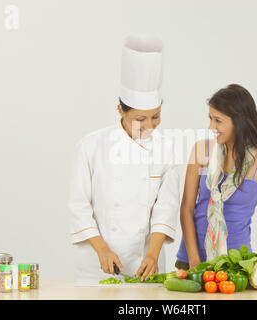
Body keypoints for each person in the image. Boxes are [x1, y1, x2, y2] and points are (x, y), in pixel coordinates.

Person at [68, 35, 179, 285]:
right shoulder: (91, 145)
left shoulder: (167, 148)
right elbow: (79, 206)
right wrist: (102, 250)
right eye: (140, 119)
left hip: (147, 264)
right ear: (120, 110)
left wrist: (152, 254)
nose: (150, 126)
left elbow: (166, 207)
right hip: (98, 266)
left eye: (156, 116)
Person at [176, 84, 257, 270]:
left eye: (218, 120)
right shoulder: (201, 150)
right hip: (192, 262)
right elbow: (187, 209)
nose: (211, 127)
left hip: (237, 266)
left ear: (239, 121)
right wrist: (195, 262)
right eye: (210, 119)